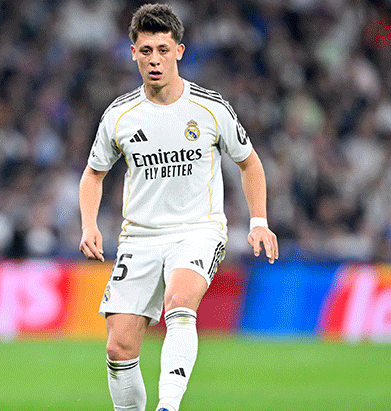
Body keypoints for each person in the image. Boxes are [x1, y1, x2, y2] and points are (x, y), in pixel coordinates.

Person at [78, 4, 278, 411]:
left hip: (197, 229)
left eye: (163, 50)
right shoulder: (119, 115)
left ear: (179, 51)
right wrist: (88, 225)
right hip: (139, 237)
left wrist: (259, 221)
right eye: (146, 50)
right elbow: (93, 175)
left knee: (180, 303)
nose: (155, 60)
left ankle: (168, 405)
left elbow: (250, 163)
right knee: (119, 348)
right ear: (133, 53)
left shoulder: (209, 108)